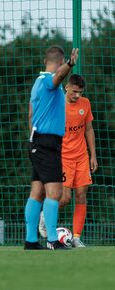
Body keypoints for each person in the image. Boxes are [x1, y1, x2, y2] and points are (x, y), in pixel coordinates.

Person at [24, 45, 79, 250]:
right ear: (58, 62)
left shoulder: (36, 84)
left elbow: (30, 114)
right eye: (62, 64)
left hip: (37, 141)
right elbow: (58, 78)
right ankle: (53, 240)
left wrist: (33, 138)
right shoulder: (48, 80)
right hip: (47, 143)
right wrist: (71, 64)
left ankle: (30, 241)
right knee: (55, 193)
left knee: (37, 192)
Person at [38, 74, 97, 247]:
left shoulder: (85, 104)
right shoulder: (56, 105)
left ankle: (77, 237)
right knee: (64, 199)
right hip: (62, 158)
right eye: (75, 91)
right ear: (67, 87)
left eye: (80, 92)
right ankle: (44, 216)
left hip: (81, 157)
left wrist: (93, 155)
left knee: (81, 195)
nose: (77, 95)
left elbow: (88, 130)